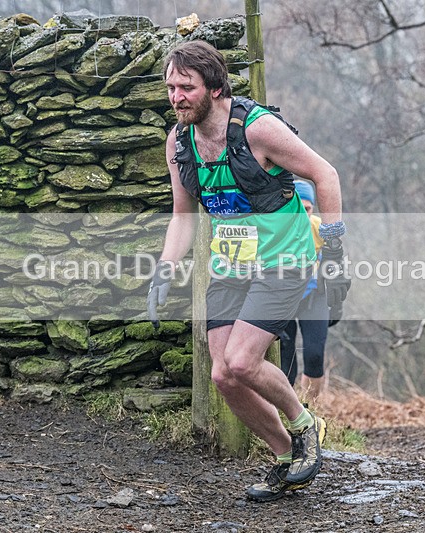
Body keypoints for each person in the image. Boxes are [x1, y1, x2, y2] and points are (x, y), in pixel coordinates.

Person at [147, 41, 350, 502]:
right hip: (231, 265)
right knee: (223, 376)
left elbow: (326, 174)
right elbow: (184, 215)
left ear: (215, 88)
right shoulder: (179, 142)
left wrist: (334, 247)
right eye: (170, 88)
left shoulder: (259, 130)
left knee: (242, 361)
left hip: (285, 259)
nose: (176, 97)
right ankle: (286, 457)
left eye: (186, 87)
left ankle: (304, 425)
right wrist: (163, 271)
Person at [279, 180, 329, 403]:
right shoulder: (276, 228)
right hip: (282, 297)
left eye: (307, 209)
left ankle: (311, 408)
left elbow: (335, 266)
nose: (301, 214)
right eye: (296, 207)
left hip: (313, 295)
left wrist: (336, 303)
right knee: (285, 362)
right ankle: (287, 410)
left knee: (315, 355)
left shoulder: (319, 228)